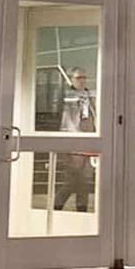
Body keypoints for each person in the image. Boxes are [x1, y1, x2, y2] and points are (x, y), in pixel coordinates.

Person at [53, 67, 96, 213]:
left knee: (84, 178)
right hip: (74, 141)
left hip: (89, 140)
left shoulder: (88, 95)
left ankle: (81, 208)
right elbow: (68, 120)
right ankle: (57, 205)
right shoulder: (68, 96)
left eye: (84, 77)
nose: (82, 80)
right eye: (79, 78)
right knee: (72, 178)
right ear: (72, 79)